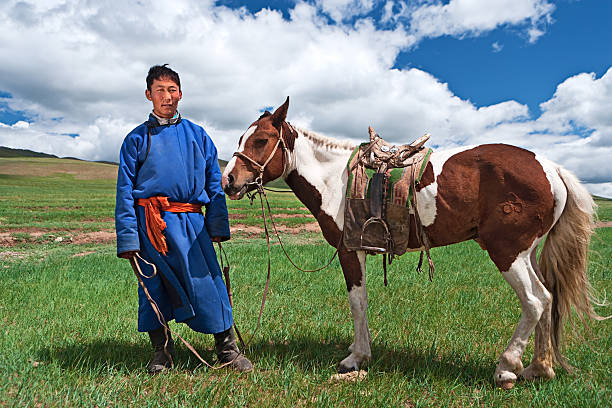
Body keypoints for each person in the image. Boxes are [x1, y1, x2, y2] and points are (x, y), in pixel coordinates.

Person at [115, 64, 252, 374]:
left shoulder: (198, 136)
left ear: (181, 94)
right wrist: (128, 239)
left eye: (172, 89)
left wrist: (217, 225)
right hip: (152, 227)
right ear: (149, 95)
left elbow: (213, 182)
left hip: (192, 226)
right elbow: (124, 190)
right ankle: (162, 353)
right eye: (160, 90)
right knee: (154, 287)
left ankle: (227, 350)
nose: (167, 96)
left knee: (210, 284)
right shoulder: (136, 139)